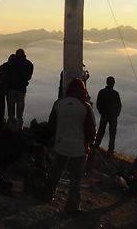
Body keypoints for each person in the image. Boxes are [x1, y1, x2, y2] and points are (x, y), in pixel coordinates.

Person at [45, 79, 96, 214]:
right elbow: (91, 130)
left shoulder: (58, 104)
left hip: (61, 144)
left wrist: (56, 137)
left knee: (56, 171)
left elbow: (51, 124)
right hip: (79, 149)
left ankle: (47, 194)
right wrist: (89, 145)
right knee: (75, 179)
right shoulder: (85, 107)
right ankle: (72, 206)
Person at [94, 76, 121, 156]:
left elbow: (98, 104)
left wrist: (102, 112)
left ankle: (96, 146)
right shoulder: (115, 93)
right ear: (113, 83)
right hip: (112, 116)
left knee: (101, 131)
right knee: (112, 134)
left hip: (106, 115)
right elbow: (119, 105)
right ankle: (110, 151)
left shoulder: (102, 92)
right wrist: (116, 113)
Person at [6, 48, 33, 130]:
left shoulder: (11, 62)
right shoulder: (29, 64)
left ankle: (10, 126)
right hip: (21, 89)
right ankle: (19, 126)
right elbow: (29, 77)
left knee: (11, 109)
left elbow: (6, 72)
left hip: (11, 88)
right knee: (20, 110)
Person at [0, 54, 15, 130]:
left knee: (0, 109)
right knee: (1, 109)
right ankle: (0, 126)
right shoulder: (10, 69)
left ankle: (0, 125)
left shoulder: (3, 67)